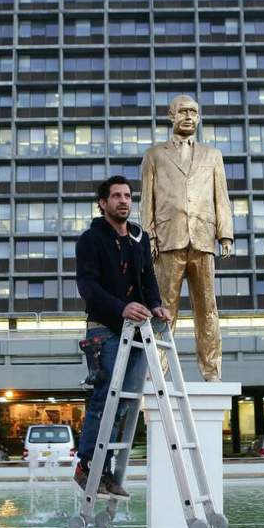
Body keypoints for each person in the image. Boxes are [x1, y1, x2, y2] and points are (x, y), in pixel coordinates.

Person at [74, 175, 172, 497]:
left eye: (127, 196)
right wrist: (122, 307)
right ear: (103, 203)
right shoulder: (90, 240)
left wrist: (155, 306)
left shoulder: (138, 238)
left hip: (137, 330)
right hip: (104, 330)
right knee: (105, 398)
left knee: (126, 404)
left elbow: (148, 278)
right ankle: (87, 466)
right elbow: (88, 289)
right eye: (116, 196)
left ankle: (107, 471)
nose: (123, 201)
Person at [140, 94, 233, 382]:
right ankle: (157, 372)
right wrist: (148, 238)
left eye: (194, 111)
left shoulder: (212, 155)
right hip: (167, 240)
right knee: (164, 309)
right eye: (183, 111)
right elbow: (146, 201)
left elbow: (222, 198)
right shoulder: (154, 155)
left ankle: (212, 371)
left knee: (208, 309)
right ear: (171, 115)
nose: (189, 116)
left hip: (203, 239)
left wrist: (225, 234)